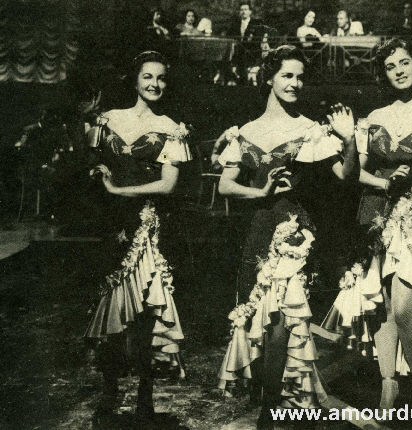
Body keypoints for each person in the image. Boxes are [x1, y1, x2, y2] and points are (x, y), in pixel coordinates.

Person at [322, 37, 412, 426]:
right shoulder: (374, 116)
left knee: (406, 306)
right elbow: (354, 173)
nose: (399, 71)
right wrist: (384, 183)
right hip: (375, 212)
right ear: (383, 74)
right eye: (390, 66)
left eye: (404, 62)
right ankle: (388, 387)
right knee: (382, 305)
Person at [216, 45, 358, 429]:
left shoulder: (311, 130)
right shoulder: (247, 131)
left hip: (294, 235)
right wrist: (260, 193)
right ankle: (267, 397)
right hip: (257, 232)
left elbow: (345, 175)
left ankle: (269, 412)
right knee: (259, 323)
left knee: (280, 323)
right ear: (269, 77)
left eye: (300, 77)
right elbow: (226, 185)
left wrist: (348, 141)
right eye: (287, 75)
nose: (295, 83)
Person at [84, 50, 191, 426]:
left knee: (145, 312)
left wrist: (118, 190)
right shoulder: (108, 119)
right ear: (134, 80)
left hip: (147, 228)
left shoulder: (172, 127)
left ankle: (145, 394)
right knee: (112, 307)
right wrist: (98, 172)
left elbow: (168, 184)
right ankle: (110, 390)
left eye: (161, 78)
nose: (154, 84)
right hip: (113, 225)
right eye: (148, 76)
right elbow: (89, 163)